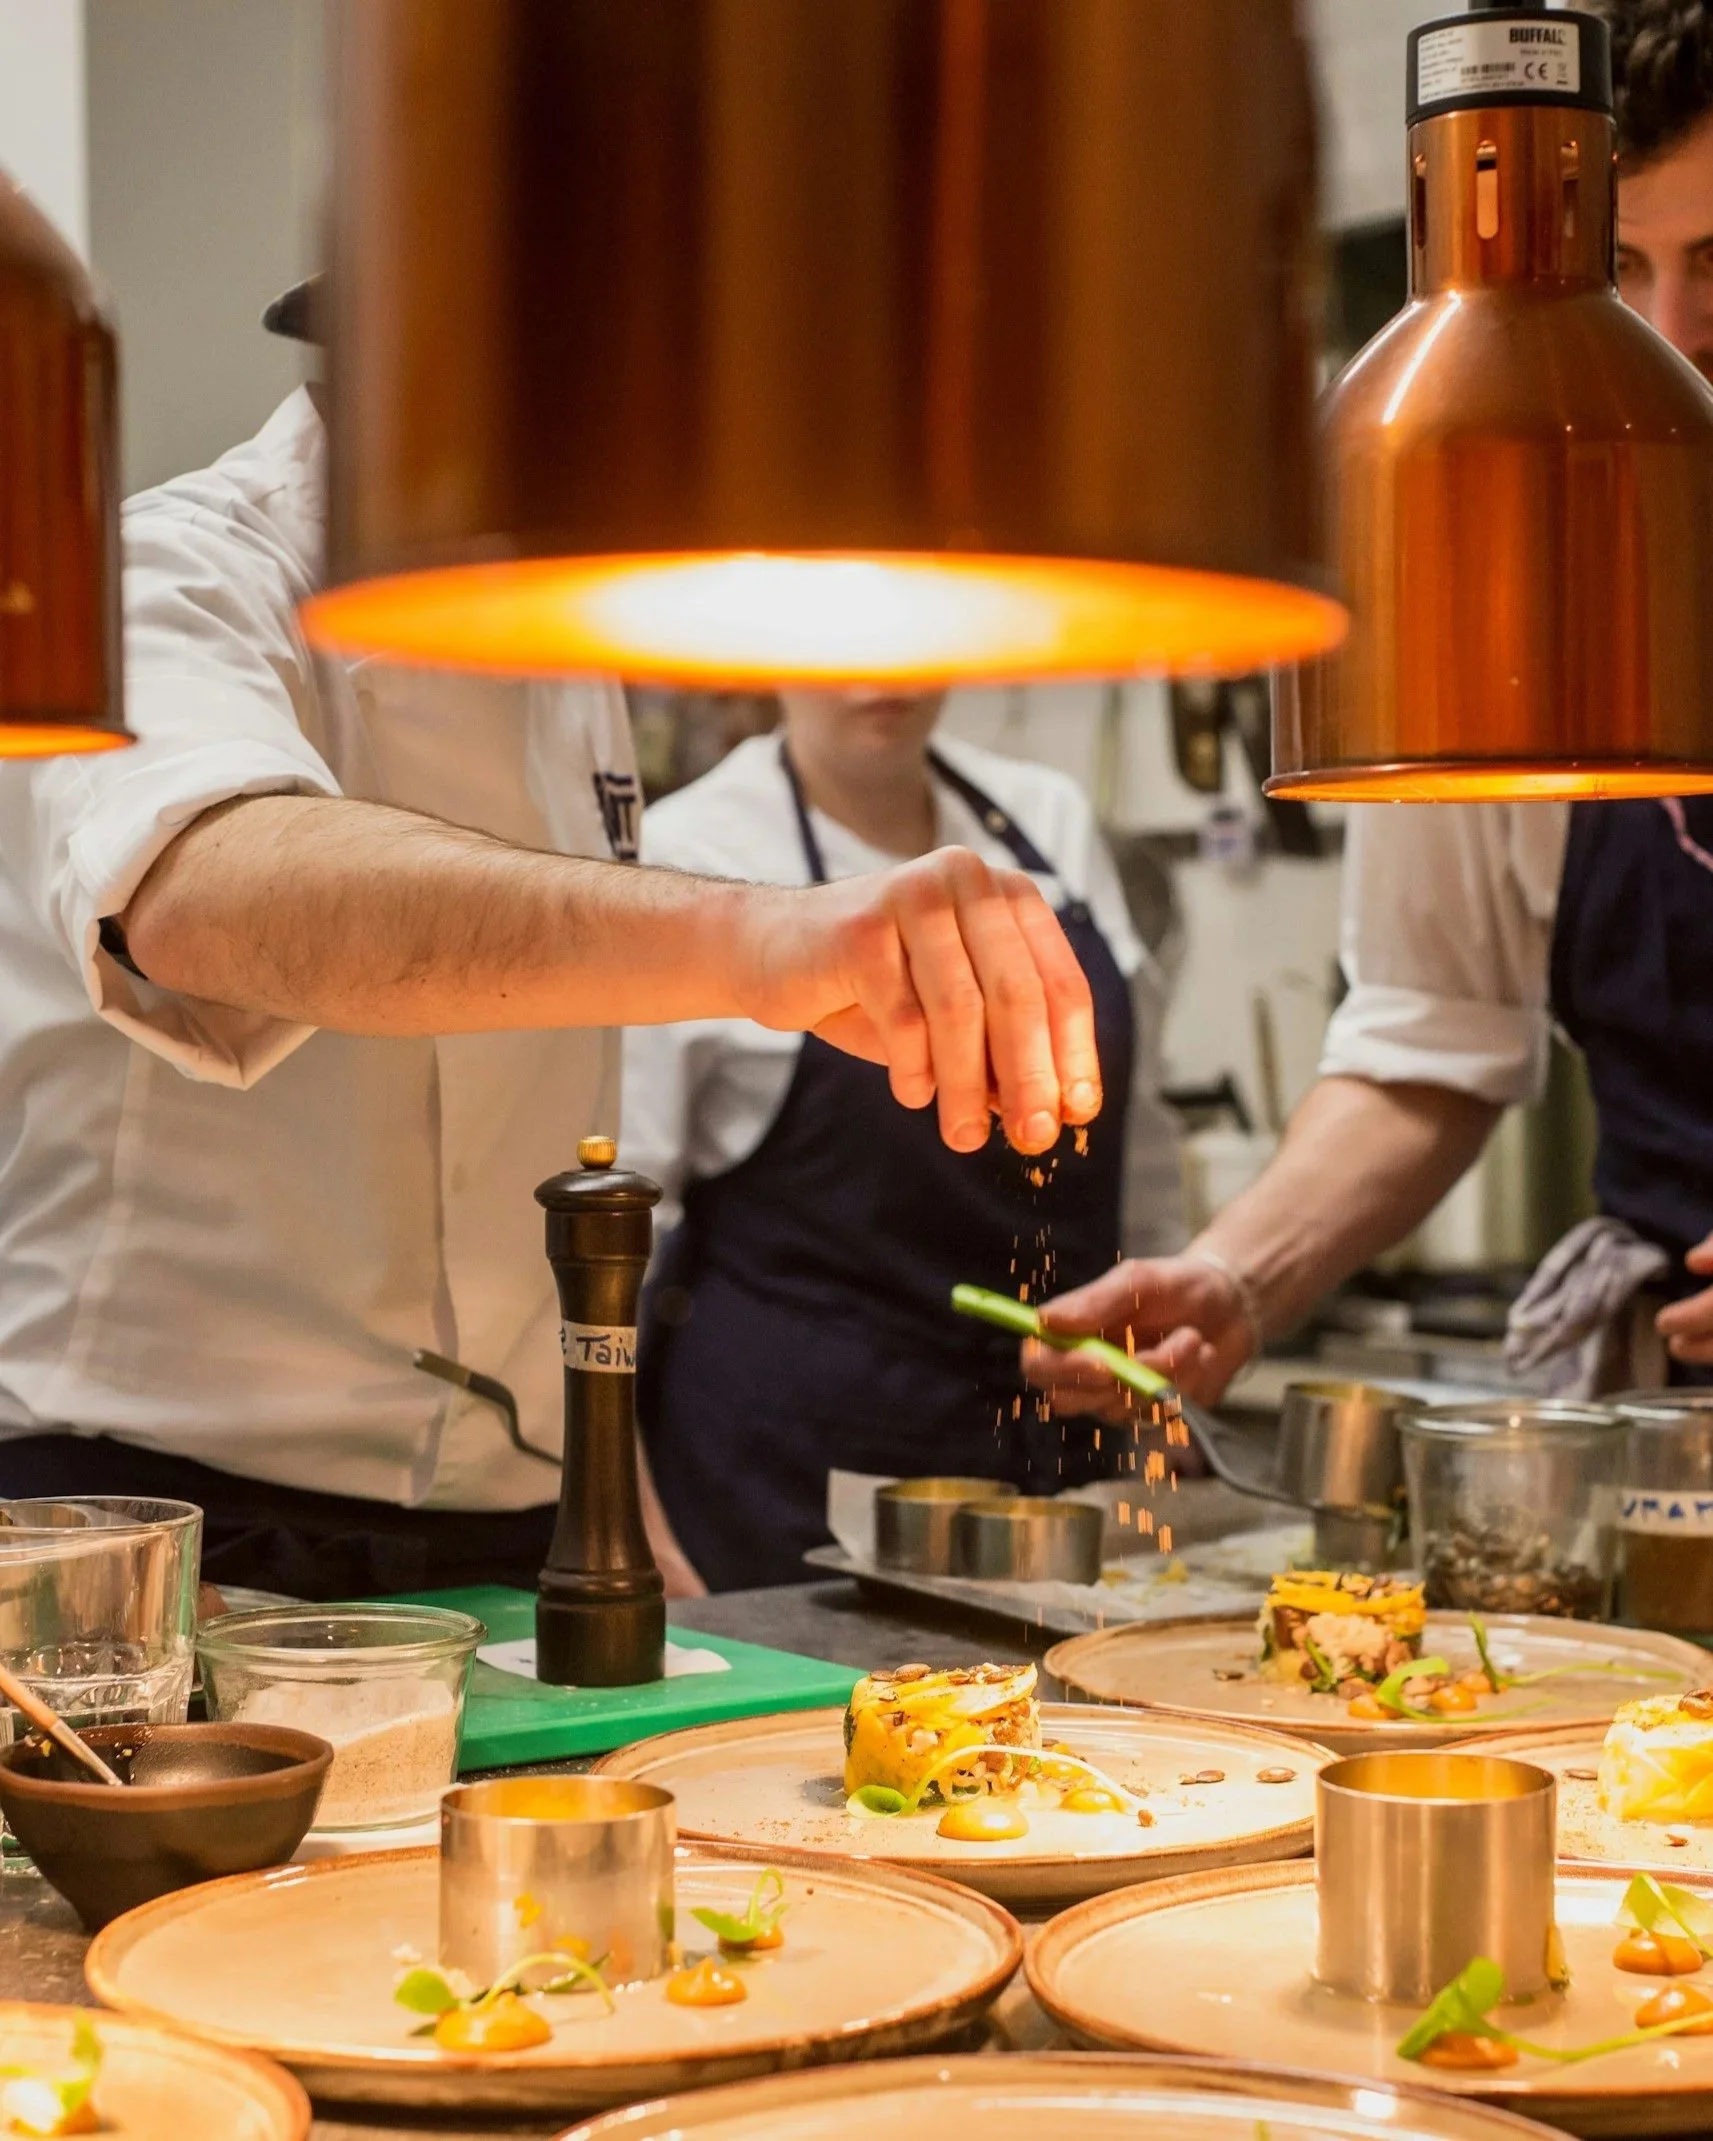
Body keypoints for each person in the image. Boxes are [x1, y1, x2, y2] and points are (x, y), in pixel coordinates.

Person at [0, 295, 1101, 1600]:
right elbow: (208, 893)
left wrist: (627, 1516)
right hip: (158, 1522)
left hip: (510, 1526)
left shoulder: (556, 655)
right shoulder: (163, 578)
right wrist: (761, 935)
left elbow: (552, 1172)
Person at [1025, 0, 1713, 1422]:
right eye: (1610, 271)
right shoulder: (1499, 604)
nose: (1661, 340)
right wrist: (1238, 1275)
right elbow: (1426, 1040)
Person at [622, 688, 1183, 1590]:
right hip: (790, 1491)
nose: (872, 677)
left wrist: (1158, 1364)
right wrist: (637, 1535)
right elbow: (612, 1242)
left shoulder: (1049, 822)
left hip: (1062, 1477)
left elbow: (1142, 1138)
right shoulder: (691, 854)